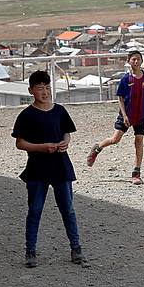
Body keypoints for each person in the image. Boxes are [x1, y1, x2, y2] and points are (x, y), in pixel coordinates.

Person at [11, 70, 87, 268]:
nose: (44, 92)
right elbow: (20, 143)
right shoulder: (26, 115)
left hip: (61, 167)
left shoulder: (60, 110)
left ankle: (76, 248)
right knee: (35, 211)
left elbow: (67, 133)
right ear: (31, 91)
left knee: (68, 209)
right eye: (40, 89)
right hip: (37, 169)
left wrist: (65, 142)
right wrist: (42, 147)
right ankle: (30, 251)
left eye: (47, 88)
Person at [86, 50, 144, 184]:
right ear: (129, 61)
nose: (136, 62)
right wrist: (124, 115)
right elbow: (120, 98)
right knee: (115, 139)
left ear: (142, 61)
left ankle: (136, 173)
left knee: (138, 141)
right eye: (133, 59)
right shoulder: (125, 79)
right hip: (127, 116)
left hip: (141, 116)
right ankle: (97, 148)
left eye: (138, 59)